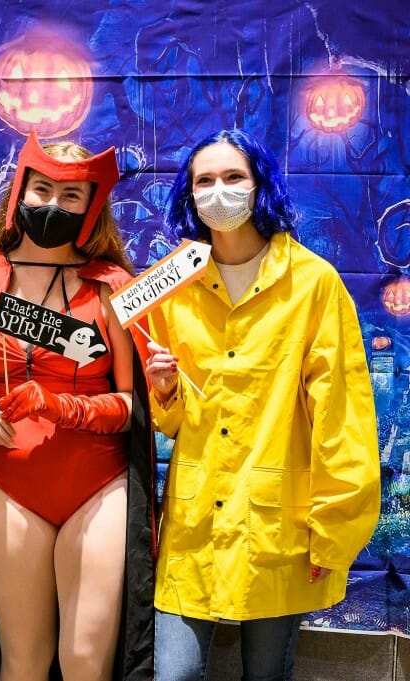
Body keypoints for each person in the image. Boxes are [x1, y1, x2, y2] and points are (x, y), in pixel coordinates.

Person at [144, 129, 381, 681]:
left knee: (267, 674)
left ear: (261, 186)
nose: (218, 191)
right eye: (205, 180)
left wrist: (333, 528)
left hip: (278, 524)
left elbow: (342, 416)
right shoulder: (168, 281)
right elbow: (169, 419)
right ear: (188, 193)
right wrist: (162, 391)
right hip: (193, 520)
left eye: (233, 178)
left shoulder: (312, 283)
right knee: (173, 674)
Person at [0, 130, 155, 681]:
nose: (53, 204)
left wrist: (62, 407)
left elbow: (131, 405)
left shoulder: (112, 286)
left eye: (71, 195)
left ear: (92, 205)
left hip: (97, 483)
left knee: (84, 663)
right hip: (6, 480)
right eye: (43, 189)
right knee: (22, 661)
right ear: (20, 191)